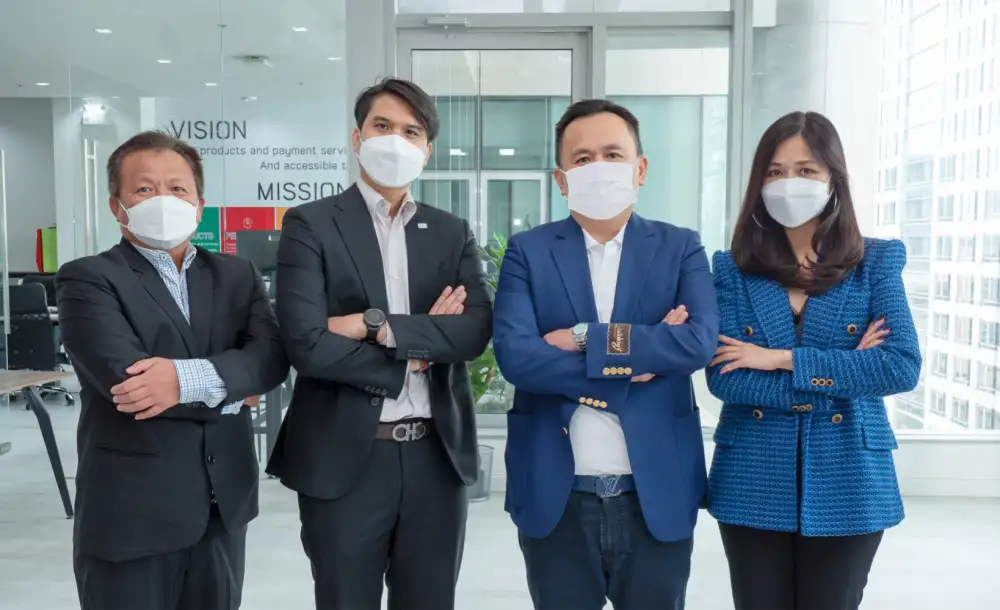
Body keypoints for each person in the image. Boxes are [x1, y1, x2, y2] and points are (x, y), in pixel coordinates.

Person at [265, 77, 492, 610]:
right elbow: (306, 344)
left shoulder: (451, 231)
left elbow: (474, 331)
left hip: (436, 458)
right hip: (346, 457)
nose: (395, 140)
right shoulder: (310, 224)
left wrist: (374, 327)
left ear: (427, 149)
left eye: (411, 132)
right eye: (382, 126)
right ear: (357, 137)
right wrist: (417, 350)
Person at [492, 99, 720, 610]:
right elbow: (517, 357)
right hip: (556, 494)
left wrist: (584, 338)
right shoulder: (529, 251)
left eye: (613, 154)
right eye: (582, 158)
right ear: (561, 178)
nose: (598, 167)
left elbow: (696, 342)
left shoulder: (680, 247)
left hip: (655, 492)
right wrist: (638, 357)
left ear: (640, 168)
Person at [56, 131, 289, 610]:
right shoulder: (88, 278)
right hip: (132, 515)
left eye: (177, 188)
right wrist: (229, 387)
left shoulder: (236, 275)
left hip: (222, 509)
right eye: (144, 188)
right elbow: (130, 384)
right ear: (117, 206)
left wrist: (181, 381)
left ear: (199, 205)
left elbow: (270, 359)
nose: (163, 199)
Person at [705, 111, 922, 610]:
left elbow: (899, 366)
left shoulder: (875, 262)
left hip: (850, 475)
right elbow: (726, 379)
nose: (789, 183)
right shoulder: (732, 270)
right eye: (775, 171)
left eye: (806, 170)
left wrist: (779, 358)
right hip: (753, 476)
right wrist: (846, 370)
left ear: (833, 179)